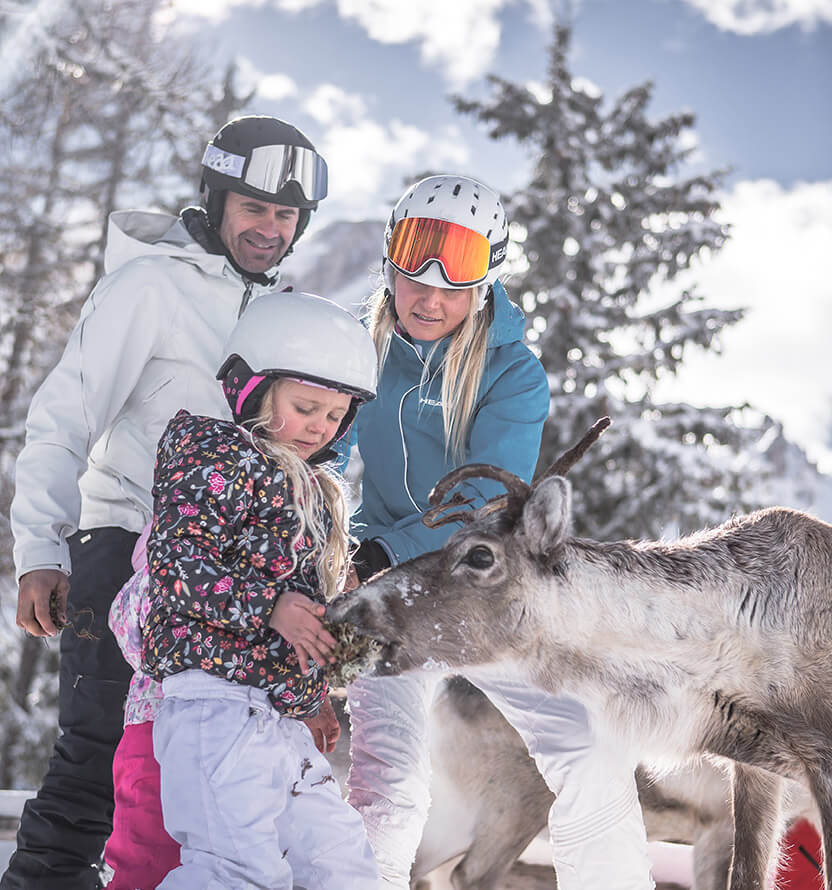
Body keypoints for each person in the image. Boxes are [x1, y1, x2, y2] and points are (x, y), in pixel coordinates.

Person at [4, 115, 328, 890]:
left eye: (285, 215)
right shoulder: (150, 286)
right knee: (97, 752)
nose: (270, 229)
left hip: (227, 578)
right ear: (217, 201)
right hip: (124, 546)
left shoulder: (282, 313)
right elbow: (65, 417)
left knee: (199, 776)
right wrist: (41, 553)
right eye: (254, 208)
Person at [345, 175, 655, 890]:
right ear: (388, 262)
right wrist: (329, 546)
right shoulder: (356, 347)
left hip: (486, 597)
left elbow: (481, 503)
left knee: (584, 752)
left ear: (486, 282)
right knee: (388, 784)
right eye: (413, 266)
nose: (429, 294)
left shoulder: (512, 374)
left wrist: (384, 552)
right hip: (385, 595)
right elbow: (318, 450)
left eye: (455, 279)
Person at [138, 291, 379, 889]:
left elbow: (302, 618)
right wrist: (270, 606)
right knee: (235, 871)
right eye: (305, 407)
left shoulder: (313, 489)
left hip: (278, 716)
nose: (320, 427)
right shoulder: (213, 455)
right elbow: (177, 565)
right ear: (251, 387)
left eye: (335, 416)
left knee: (339, 863)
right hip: (214, 705)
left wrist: (315, 694)